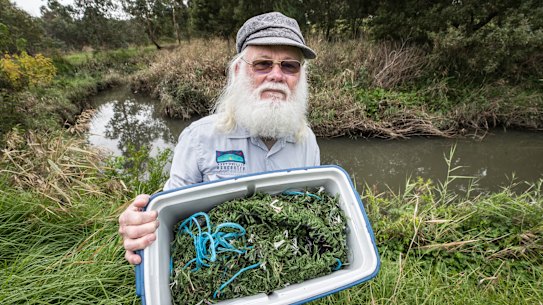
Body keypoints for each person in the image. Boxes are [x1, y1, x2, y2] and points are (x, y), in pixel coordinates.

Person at [118, 12, 320, 264]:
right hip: (216, 270)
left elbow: (312, 209)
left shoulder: (307, 141)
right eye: (262, 64)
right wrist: (141, 226)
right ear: (237, 70)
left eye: (289, 66)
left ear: (300, 76)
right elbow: (169, 216)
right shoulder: (199, 138)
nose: (277, 76)